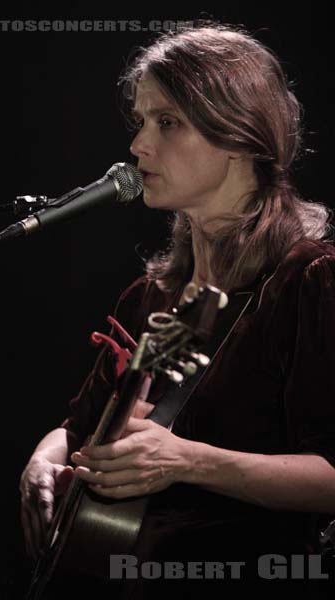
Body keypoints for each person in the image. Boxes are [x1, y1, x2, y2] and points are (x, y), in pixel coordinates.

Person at [20, 21, 335, 598]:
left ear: (240, 134)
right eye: (140, 122)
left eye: (167, 123)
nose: (139, 146)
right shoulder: (155, 296)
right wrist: (41, 462)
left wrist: (187, 461)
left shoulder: (310, 281)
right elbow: (78, 427)